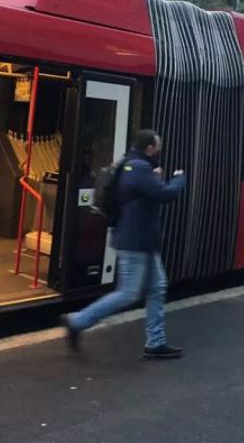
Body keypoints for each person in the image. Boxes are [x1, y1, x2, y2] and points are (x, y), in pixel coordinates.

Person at [60, 129, 186, 359]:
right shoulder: (138, 168)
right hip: (135, 241)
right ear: (149, 147)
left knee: (157, 287)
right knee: (128, 293)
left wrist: (155, 178)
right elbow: (165, 194)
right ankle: (77, 321)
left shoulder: (134, 165)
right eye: (158, 146)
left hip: (144, 240)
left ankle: (156, 342)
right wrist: (179, 178)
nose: (160, 150)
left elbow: (144, 195)